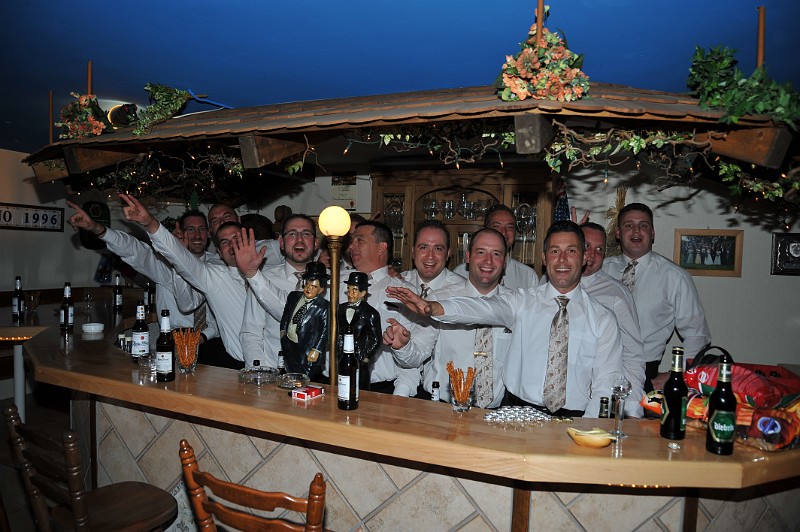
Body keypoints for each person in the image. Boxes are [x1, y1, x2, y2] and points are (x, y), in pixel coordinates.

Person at [389, 220, 624, 418]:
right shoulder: (521, 301)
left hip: (573, 419)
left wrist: (587, 432)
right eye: (555, 251)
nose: (562, 259)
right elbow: (479, 308)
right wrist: (432, 307)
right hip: (513, 414)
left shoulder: (603, 318)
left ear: (584, 258)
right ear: (544, 258)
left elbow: (606, 383)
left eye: (571, 251)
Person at [119, 194, 251, 368]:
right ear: (220, 250)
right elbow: (187, 301)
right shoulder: (215, 275)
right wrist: (150, 223)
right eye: (225, 242)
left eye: (236, 239)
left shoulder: (269, 271)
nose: (196, 235)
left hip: (248, 354)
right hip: (198, 345)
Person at [386, 228, 513, 408]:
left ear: (505, 262)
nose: (488, 260)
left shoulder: (514, 303)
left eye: (496, 254)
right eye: (481, 252)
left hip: (496, 413)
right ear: (468, 257)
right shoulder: (439, 299)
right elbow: (417, 355)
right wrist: (402, 346)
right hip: (442, 409)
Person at [66, 201, 220, 346]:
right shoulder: (165, 265)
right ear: (181, 232)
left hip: (212, 340)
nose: (197, 235)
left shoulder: (216, 265)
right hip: (176, 341)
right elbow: (134, 249)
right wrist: (98, 229)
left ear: (208, 233)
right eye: (191, 229)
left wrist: (204, 336)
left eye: (201, 229)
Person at [603, 203, 711, 391]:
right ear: (618, 233)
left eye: (643, 225)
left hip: (646, 374)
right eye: (629, 225)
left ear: (652, 233)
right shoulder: (600, 271)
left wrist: (676, 374)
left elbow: (697, 335)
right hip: (598, 368)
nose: (636, 230)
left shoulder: (675, 277)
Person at [344, 220, 437, 396]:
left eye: (360, 240)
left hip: (380, 390)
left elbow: (413, 356)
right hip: (331, 383)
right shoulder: (333, 283)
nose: (351, 246)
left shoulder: (404, 292)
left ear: (381, 248)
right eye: (352, 241)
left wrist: (400, 396)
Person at [580, 222, 646, 417]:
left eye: (599, 249)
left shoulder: (617, 293)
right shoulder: (549, 284)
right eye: (586, 246)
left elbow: (632, 354)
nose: (591, 255)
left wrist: (632, 409)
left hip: (597, 398)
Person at [240, 214, 318, 368]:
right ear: (281, 243)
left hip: (318, 375)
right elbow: (251, 333)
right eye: (292, 234)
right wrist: (260, 373)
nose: (299, 239)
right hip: (274, 372)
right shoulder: (264, 278)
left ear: (315, 243)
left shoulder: (331, 281)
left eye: (306, 234)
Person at [453, 204, 538, 289]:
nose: (503, 232)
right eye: (497, 226)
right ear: (486, 229)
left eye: (509, 227)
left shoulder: (528, 276)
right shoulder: (460, 273)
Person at [280, 262, 329, 382]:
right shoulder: (293, 296)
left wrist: (316, 350)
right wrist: (283, 332)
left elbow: (325, 331)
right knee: (291, 374)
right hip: (289, 344)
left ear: (321, 289)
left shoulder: (324, 307)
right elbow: (286, 315)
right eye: (307, 284)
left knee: (305, 378)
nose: (308, 288)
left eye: (314, 287)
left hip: (308, 349)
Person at [337, 272, 382, 390]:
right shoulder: (340, 309)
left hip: (359, 358)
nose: (350, 294)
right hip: (342, 356)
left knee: (359, 387)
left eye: (355, 290)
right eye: (349, 289)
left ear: (363, 293)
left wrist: (365, 356)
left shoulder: (370, 313)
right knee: (342, 385)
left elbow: (376, 339)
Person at [207, 203, 283, 267]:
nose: (222, 222)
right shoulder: (213, 266)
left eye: (227, 216)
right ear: (210, 231)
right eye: (215, 221)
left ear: (239, 220)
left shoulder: (272, 247)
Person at [401, 220, 463, 296]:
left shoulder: (463, 291)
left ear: (447, 254)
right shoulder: (398, 284)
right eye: (423, 247)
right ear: (413, 252)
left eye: (438, 249)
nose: (430, 256)